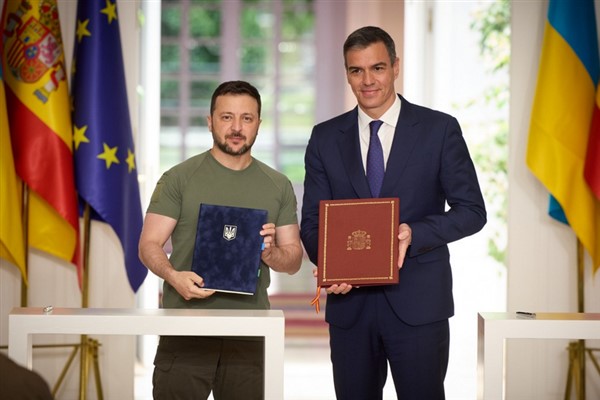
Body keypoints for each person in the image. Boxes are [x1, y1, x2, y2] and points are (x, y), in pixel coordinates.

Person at [300, 26, 487, 400]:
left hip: (418, 304)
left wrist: (414, 233)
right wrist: (331, 263)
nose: (367, 81)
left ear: (396, 67)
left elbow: (471, 211)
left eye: (378, 68)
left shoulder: (439, 130)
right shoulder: (325, 137)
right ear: (347, 73)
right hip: (350, 308)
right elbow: (312, 222)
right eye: (356, 70)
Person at [139, 80, 303, 400]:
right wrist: (173, 276)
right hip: (185, 328)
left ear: (258, 124)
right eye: (227, 117)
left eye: (246, 118)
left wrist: (271, 254)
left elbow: (293, 259)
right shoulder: (178, 178)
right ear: (210, 121)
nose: (236, 128)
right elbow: (148, 245)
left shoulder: (278, 185)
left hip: (250, 332)